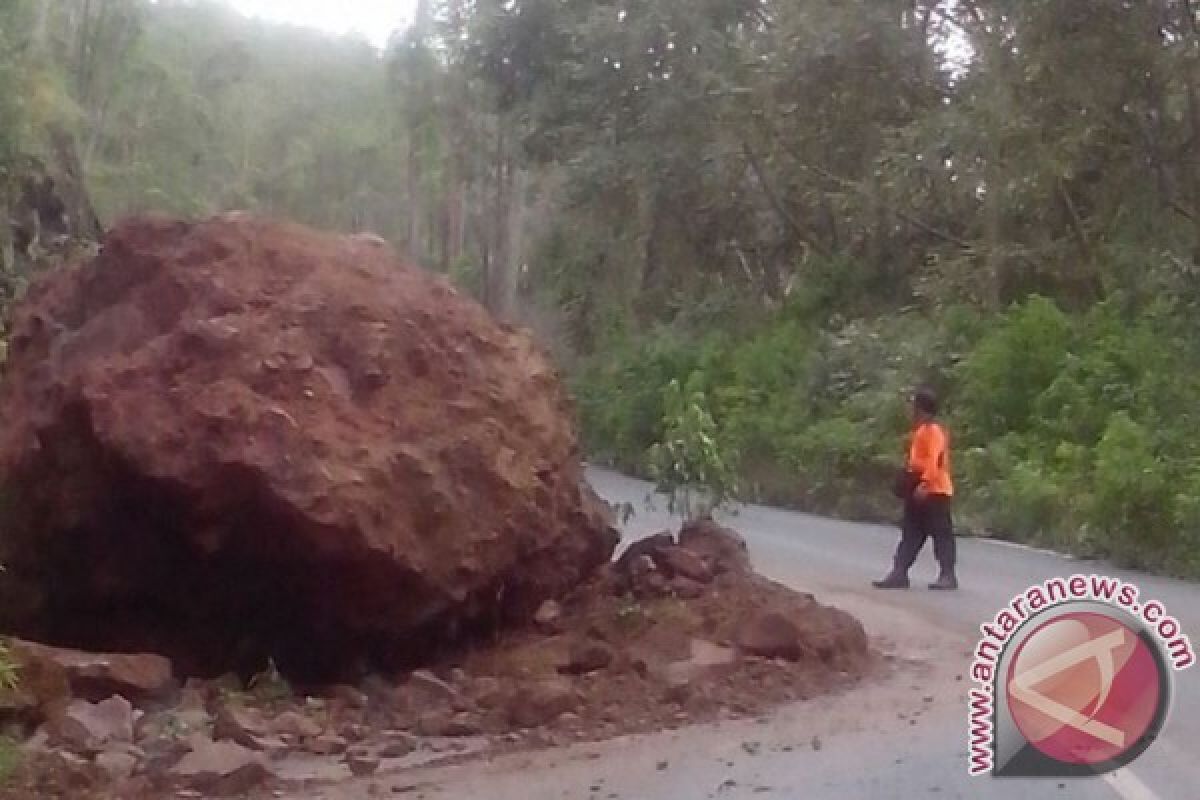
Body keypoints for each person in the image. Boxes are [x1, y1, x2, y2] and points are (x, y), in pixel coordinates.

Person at [873, 386, 958, 590]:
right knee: (911, 532)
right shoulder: (921, 431)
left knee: (941, 534)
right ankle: (899, 573)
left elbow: (933, 460)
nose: (910, 409)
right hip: (918, 486)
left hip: (935, 490)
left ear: (921, 408)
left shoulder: (934, 432)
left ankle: (948, 575)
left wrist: (925, 484)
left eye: (913, 405)